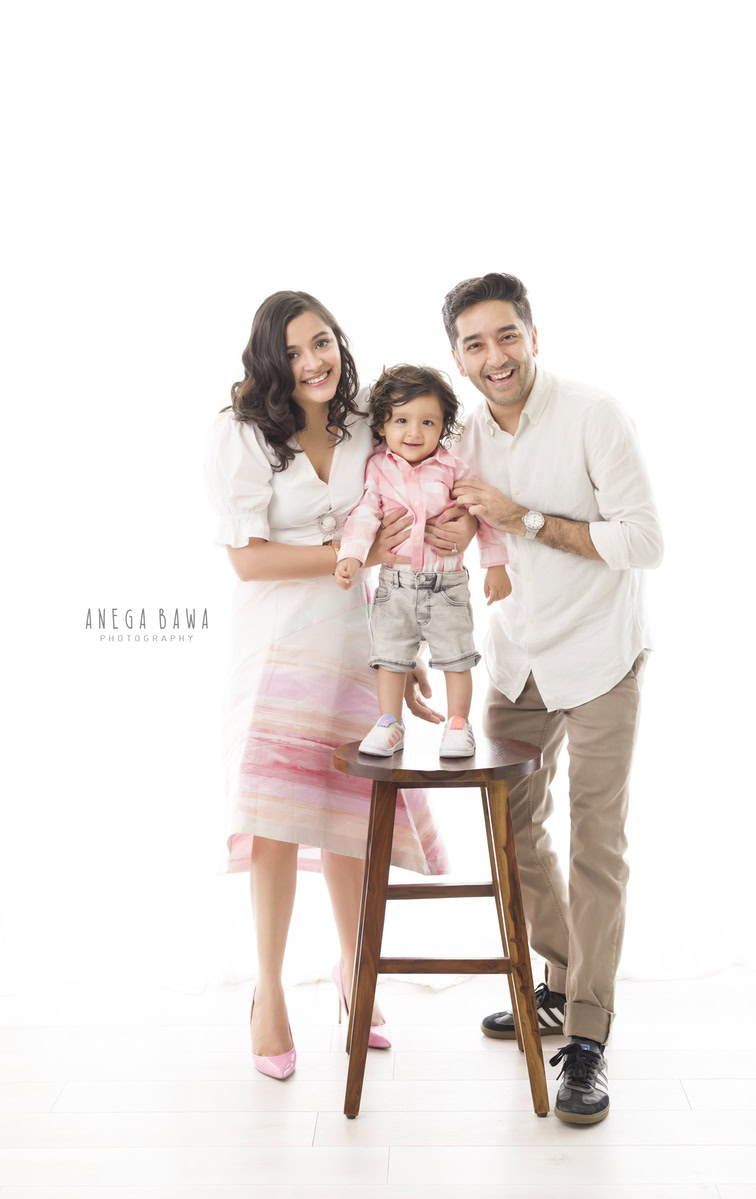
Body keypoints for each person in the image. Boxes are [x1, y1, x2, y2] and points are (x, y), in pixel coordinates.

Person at [204, 291, 474, 1080]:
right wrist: (348, 556)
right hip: (277, 639)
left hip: (360, 635)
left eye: (321, 342)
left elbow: (414, 509)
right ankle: (269, 992)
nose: (313, 361)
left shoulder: (365, 420)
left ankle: (356, 977)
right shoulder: (241, 433)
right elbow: (247, 558)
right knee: (278, 820)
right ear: (268, 361)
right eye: (292, 351)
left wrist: (407, 641)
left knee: (351, 814)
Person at [443, 272, 663, 1125]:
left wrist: (523, 517)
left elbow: (645, 540)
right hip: (516, 662)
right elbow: (442, 514)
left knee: (596, 842)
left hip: (602, 655)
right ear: (457, 355)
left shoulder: (593, 414)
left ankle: (589, 1039)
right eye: (474, 343)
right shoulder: (461, 435)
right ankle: (563, 980)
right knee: (513, 833)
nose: (493, 357)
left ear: (533, 334)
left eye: (506, 336)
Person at [334, 363, 511, 758]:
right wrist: (351, 556)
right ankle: (389, 723)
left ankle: (458, 724)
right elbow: (364, 515)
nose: (414, 432)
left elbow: (481, 514)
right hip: (394, 586)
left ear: (443, 425)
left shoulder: (453, 469)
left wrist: (495, 565)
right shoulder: (377, 469)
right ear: (382, 425)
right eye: (401, 420)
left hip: (446, 585)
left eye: (427, 422)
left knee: (456, 658)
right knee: (391, 659)